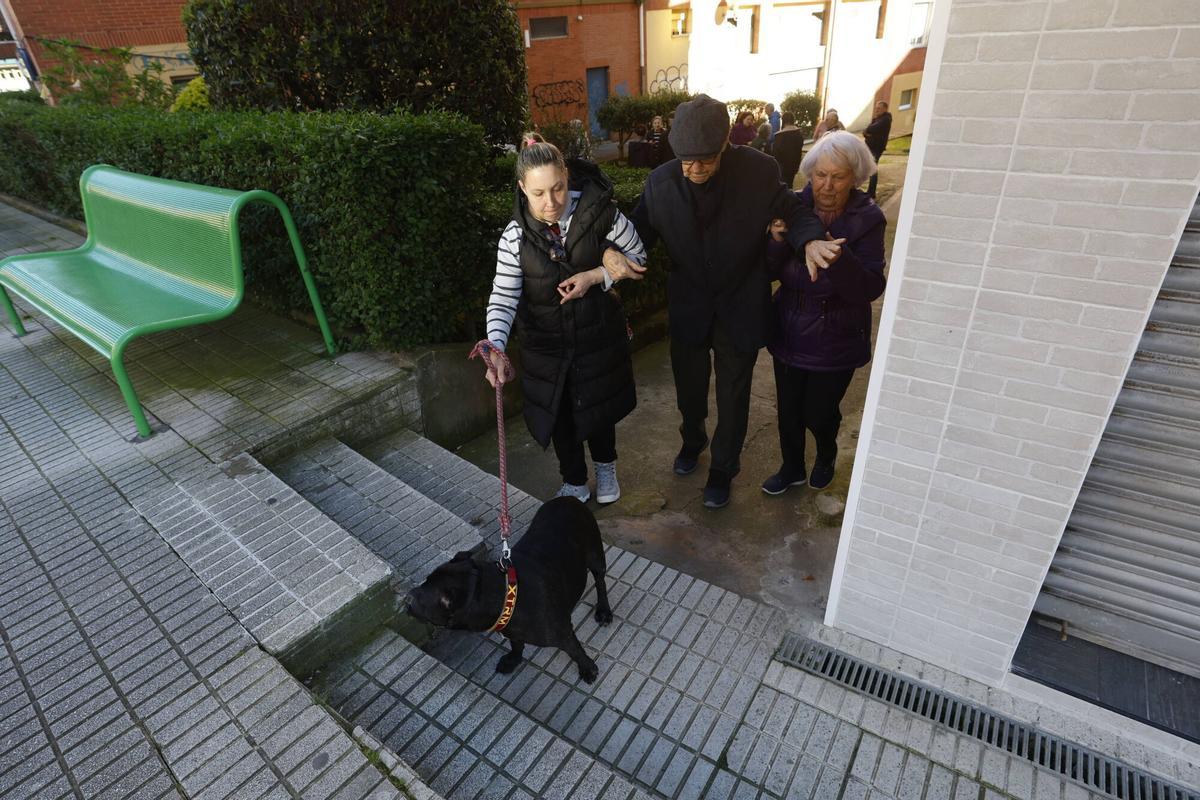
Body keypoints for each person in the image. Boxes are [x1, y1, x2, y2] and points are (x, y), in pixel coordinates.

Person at [608, 94, 838, 509]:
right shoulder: (660, 183)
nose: (695, 170)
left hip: (741, 303)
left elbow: (795, 210)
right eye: (686, 161)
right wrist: (611, 255)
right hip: (689, 305)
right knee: (689, 390)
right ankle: (692, 439)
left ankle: (722, 468)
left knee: (734, 394)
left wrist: (809, 241)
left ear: (726, 145)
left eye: (705, 160)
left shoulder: (759, 171)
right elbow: (637, 232)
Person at [485, 140, 647, 504]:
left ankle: (606, 470)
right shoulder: (514, 238)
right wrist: (495, 345)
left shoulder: (603, 214)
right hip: (546, 345)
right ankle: (573, 480)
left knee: (599, 410)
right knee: (559, 416)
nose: (551, 202)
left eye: (558, 188)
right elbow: (503, 297)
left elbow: (638, 258)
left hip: (596, 336)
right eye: (539, 192)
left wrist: (597, 275)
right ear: (523, 187)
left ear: (567, 177)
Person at [761, 131, 886, 496]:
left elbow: (869, 288)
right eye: (820, 174)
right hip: (788, 328)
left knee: (818, 412)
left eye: (838, 176)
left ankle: (826, 452)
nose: (826, 185)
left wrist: (837, 256)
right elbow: (769, 272)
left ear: (856, 178)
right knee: (788, 413)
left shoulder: (868, 219)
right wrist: (777, 241)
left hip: (836, 335)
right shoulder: (793, 207)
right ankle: (792, 468)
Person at [863, 100, 892, 199]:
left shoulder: (886, 119)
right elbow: (866, 131)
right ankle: (870, 191)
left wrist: (869, 132)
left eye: (879, 108)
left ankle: (871, 193)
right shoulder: (877, 118)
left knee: (873, 169)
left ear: (885, 109)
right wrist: (868, 132)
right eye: (876, 108)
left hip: (876, 148)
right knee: (871, 168)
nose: (876, 110)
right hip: (870, 146)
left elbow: (871, 129)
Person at [772, 112, 806, 188]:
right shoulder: (798, 133)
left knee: (782, 185)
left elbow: (776, 153)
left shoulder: (779, 136)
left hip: (782, 167)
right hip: (794, 164)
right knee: (790, 184)